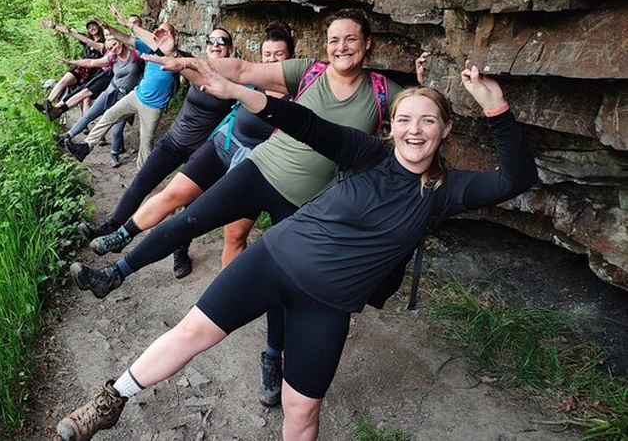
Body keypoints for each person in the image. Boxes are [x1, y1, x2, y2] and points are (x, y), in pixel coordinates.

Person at [54, 61, 539, 441]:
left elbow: (516, 179)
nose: (415, 130)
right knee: (193, 333)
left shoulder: (448, 191)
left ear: (445, 130)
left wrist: (495, 106)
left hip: (327, 304)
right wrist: (239, 92)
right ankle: (109, 401)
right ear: (390, 126)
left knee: (303, 408)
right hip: (273, 261)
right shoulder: (364, 153)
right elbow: (304, 122)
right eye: (405, 119)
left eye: (427, 121)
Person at [71, 9, 402, 407]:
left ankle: (272, 358)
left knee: (283, 287)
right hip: (260, 168)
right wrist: (194, 63)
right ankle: (114, 274)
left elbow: (420, 123)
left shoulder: (384, 93)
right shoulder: (308, 71)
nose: (341, 48)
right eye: (334, 40)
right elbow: (244, 69)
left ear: (367, 44)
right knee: (190, 220)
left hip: (307, 202)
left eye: (350, 39)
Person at [87, 21, 295, 269]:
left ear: (291, 57)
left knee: (225, 231)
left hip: (246, 163)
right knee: (162, 191)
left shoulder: (296, 93)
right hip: (202, 146)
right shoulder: (247, 78)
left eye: (279, 55)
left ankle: (189, 260)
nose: (271, 60)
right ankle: (117, 234)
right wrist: (173, 54)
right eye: (267, 55)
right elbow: (196, 71)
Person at [70, 15, 237, 273]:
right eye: (212, 40)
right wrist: (135, 30)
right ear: (205, 46)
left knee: (186, 208)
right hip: (173, 140)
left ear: (231, 48)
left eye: (222, 41)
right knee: (141, 182)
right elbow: (161, 49)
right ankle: (111, 229)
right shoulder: (194, 64)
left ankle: (180, 252)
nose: (216, 44)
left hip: (201, 151)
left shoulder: (236, 78)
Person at [62, 9, 187, 169]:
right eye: (160, 32)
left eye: (167, 33)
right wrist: (109, 27)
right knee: (109, 115)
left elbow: (185, 80)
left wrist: (180, 72)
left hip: (154, 106)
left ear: (174, 37)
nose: (163, 36)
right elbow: (127, 38)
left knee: (146, 141)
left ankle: (142, 174)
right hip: (136, 95)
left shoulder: (181, 58)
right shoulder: (151, 48)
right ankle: (86, 147)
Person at [53, 36, 145, 167]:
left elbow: (149, 61)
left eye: (115, 44)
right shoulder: (112, 58)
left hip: (126, 97)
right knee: (89, 115)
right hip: (110, 91)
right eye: (111, 48)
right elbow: (91, 62)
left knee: (117, 129)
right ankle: (66, 137)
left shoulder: (136, 54)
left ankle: (114, 155)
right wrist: (71, 62)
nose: (114, 48)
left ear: (120, 42)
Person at [36, 19, 107, 113]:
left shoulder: (105, 41)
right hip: (80, 68)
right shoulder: (86, 39)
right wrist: (54, 26)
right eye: (89, 28)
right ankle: (47, 104)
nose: (92, 29)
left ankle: (83, 122)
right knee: (64, 80)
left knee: (85, 99)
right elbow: (71, 33)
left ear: (98, 26)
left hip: (94, 72)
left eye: (93, 26)